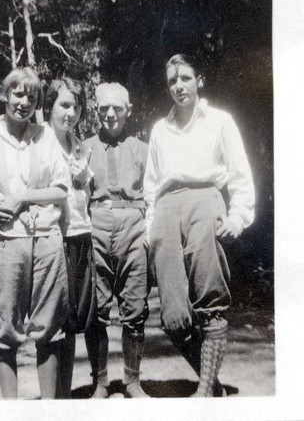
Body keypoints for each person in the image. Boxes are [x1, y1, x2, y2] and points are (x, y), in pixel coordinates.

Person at [144, 53, 255, 397]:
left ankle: (205, 390)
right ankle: (213, 384)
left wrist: (238, 216)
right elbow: (151, 185)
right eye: (173, 81)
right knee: (173, 312)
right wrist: (152, 226)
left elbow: (240, 175)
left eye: (185, 78)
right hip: (165, 209)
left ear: (199, 80)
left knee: (210, 299)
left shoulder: (220, 121)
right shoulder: (160, 129)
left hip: (205, 201)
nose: (179, 86)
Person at [0, 67, 70, 399]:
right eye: (18, 94)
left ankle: (48, 408)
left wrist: (24, 196)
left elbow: (61, 190)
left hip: (46, 241)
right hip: (4, 243)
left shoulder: (45, 136)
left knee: (49, 328)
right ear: (4, 94)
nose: (24, 102)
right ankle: (12, 410)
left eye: (32, 96)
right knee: (4, 328)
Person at [84, 82, 149, 398]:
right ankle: (101, 383)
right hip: (96, 228)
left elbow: (154, 194)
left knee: (135, 309)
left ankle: (132, 382)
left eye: (117, 108)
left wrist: (147, 232)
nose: (110, 114)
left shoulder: (142, 150)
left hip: (133, 229)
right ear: (97, 110)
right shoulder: (83, 149)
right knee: (95, 309)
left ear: (128, 112)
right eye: (104, 108)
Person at [43, 77, 96, 398]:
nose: (71, 112)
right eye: (64, 104)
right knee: (56, 319)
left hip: (81, 236)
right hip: (54, 238)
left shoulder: (80, 145)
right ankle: (56, 397)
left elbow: (86, 194)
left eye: (77, 106)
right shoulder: (41, 143)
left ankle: (66, 394)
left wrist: (82, 176)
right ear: (49, 106)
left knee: (75, 317)